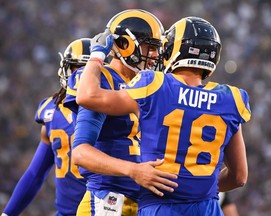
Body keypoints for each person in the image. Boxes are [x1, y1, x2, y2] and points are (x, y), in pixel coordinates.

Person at [76, 16, 251, 216]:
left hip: (158, 206)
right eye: (149, 47)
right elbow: (239, 177)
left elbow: (87, 95)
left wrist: (96, 56)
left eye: (159, 48)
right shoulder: (231, 99)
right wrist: (197, 190)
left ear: (173, 50)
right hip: (204, 207)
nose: (156, 54)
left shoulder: (154, 86)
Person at [65, 9, 177, 216]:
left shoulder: (146, 84)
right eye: (149, 46)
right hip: (108, 201)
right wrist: (133, 170)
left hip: (143, 201)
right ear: (125, 44)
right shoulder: (103, 79)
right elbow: (80, 153)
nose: (154, 54)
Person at [1, 38, 91, 216]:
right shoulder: (52, 111)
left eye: (88, 70)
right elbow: (36, 173)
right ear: (66, 70)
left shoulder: (115, 110)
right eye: (76, 68)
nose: (81, 76)